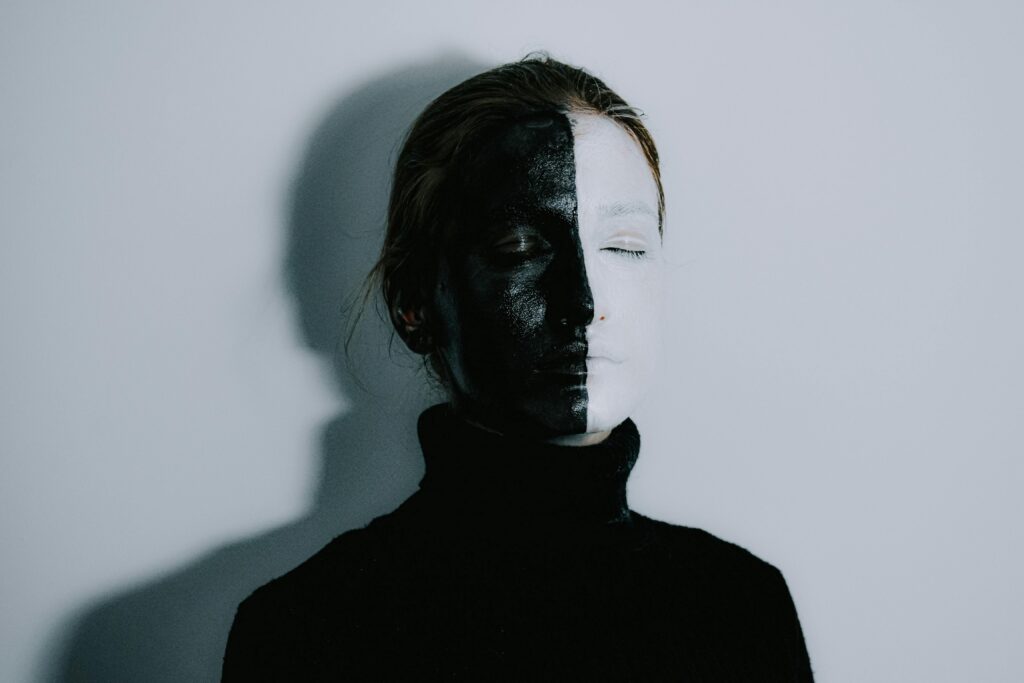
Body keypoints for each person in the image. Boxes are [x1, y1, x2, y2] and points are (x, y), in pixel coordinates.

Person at [222, 55, 814, 681]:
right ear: (414, 304)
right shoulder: (306, 630)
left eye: (625, 247)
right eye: (520, 248)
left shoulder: (742, 606)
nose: (585, 304)